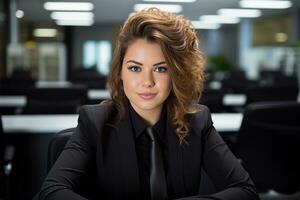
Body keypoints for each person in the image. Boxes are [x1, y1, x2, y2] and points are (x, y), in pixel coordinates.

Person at [38, 8, 259, 200]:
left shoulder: (197, 121)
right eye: (135, 68)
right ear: (120, 72)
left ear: (177, 75)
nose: (147, 82)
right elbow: (52, 190)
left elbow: (245, 190)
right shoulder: (95, 121)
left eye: (161, 69)